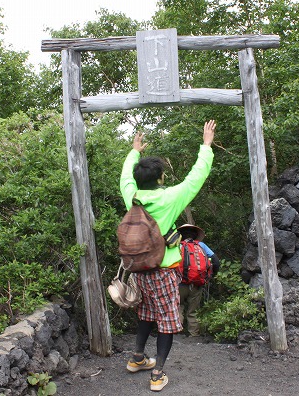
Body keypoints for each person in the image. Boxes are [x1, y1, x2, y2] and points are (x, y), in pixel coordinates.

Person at [120, 120, 216, 392]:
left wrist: (134, 151)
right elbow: (196, 178)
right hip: (163, 270)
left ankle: (137, 358)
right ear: (160, 178)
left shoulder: (132, 196)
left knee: (147, 313)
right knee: (167, 322)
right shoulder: (171, 198)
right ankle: (158, 374)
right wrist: (206, 146)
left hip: (139, 271)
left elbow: (125, 176)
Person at [176, 223, 219, 337]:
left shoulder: (177, 245)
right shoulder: (201, 245)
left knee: (178, 307)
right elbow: (215, 260)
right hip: (197, 283)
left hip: (180, 283)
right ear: (195, 235)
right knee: (193, 310)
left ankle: (176, 333)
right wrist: (211, 275)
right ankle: (193, 334)